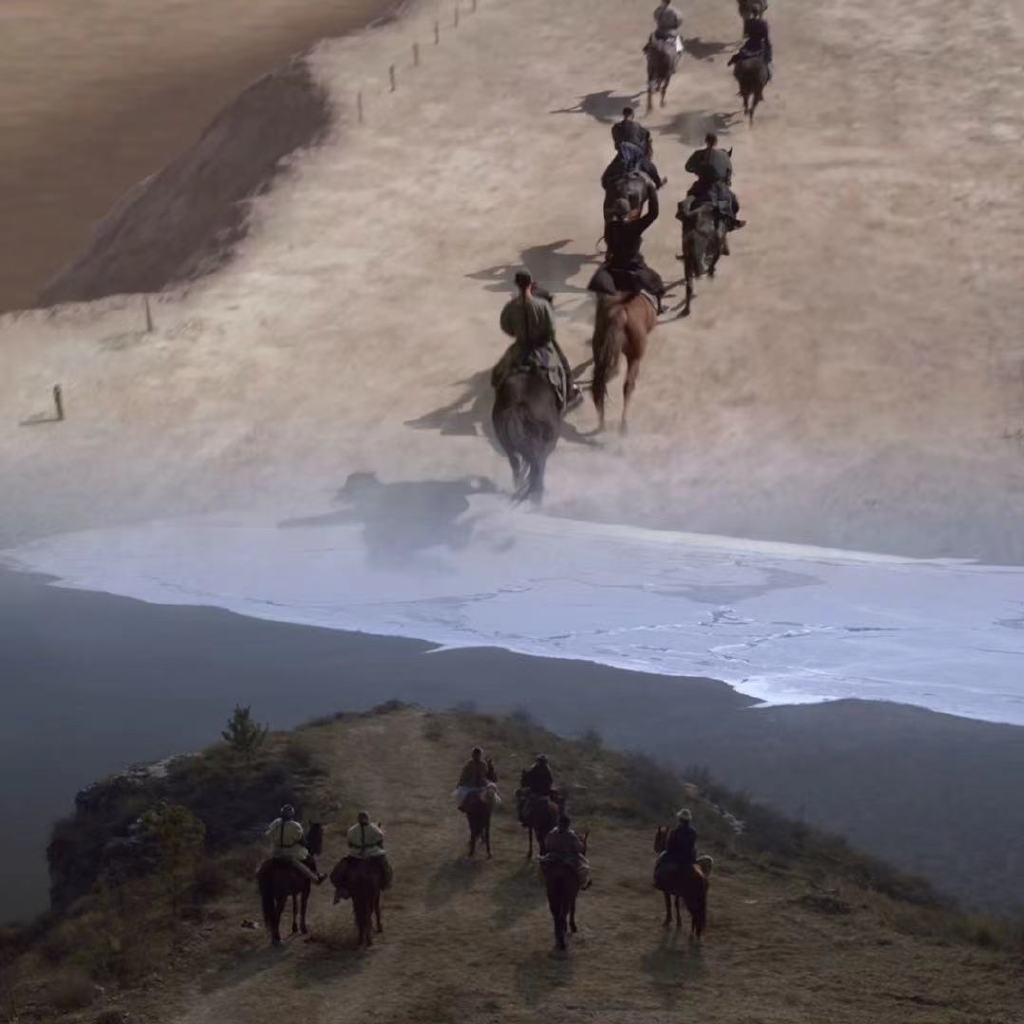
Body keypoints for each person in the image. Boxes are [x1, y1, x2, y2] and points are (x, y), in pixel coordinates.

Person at [493, 272, 582, 410]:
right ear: (530, 284)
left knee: (497, 374)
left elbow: (506, 327)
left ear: (517, 285)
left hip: (521, 346)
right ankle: (570, 392)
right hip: (542, 345)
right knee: (563, 364)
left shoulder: (510, 306)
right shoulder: (542, 305)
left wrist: (518, 334)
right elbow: (551, 329)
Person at [589, 192, 666, 311]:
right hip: (634, 266)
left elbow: (609, 244)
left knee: (598, 281)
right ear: (628, 212)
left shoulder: (610, 226)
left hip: (615, 265)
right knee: (657, 282)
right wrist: (652, 192)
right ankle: (660, 307)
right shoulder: (635, 226)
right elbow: (653, 214)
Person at [684, 132, 745, 231]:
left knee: (689, 197)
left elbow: (687, 167)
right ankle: (730, 222)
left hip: (701, 184)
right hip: (718, 186)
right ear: (716, 142)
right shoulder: (723, 155)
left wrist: (696, 170)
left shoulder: (698, 153)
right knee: (730, 201)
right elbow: (728, 172)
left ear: (706, 141)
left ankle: (687, 220)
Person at [336, 810, 392, 898]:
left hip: (355, 855)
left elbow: (349, 844)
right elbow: (380, 839)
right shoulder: (374, 829)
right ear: (368, 818)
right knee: (385, 867)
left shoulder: (352, 830)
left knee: (340, 870)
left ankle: (341, 889)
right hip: (373, 854)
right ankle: (386, 882)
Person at [264, 803, 325, 884]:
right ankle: (316, 877)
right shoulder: (295, 826)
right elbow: (301, 840)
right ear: (292, 814)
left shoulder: (275, 823)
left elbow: (268, 834)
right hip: (291, 853)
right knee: (309, 858)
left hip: (276, 852)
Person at [543, 813, 592, 889]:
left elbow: (547, 846)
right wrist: (583, 842)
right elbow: (579, 848)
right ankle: (583, 884)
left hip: (553, 856)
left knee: (543, 863)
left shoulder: (551, 833)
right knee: (585, 867)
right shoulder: (571, 835)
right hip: (569, 857)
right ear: (568, 825)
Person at [455, 746, 497, 811]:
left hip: (482, 784)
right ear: (472, 755)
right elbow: (464, 775)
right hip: (471, 785)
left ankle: (494, 806)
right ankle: (463, 806)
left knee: (492, 794)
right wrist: (460, 783)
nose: (476, 756)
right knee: (464, 794)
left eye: (478, 755)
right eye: (475, 755)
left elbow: (488, 775)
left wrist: (490, 767)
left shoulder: (483, 764)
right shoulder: (469, 764)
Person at [517, 753, 556, 823]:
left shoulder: (534, 769)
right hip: (545, 794)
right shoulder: (548, 771)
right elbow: (550, 782)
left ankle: (522, 818)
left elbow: (526, 781)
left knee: (522, 801)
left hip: (535, 793)